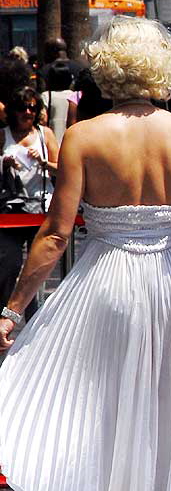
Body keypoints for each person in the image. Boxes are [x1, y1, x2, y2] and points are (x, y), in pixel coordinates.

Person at [0, 16, 171, 491]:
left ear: (106, 69)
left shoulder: (85, 136)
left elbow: (55, 235)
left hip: (109, 283)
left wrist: (13, 307)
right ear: (165, 70)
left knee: (118, 414)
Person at [0, 86, 58, 322]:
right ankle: (5, 316)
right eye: (23, 108)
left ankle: (37, 319)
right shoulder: (3, 135)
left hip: (39, 208)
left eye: (32, 108)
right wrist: (4, 165)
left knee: (37, 266)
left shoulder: (45, 134)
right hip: (9, 210)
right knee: (8, 264)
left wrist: (44, 163)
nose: (28, 112)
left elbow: (62, 168)